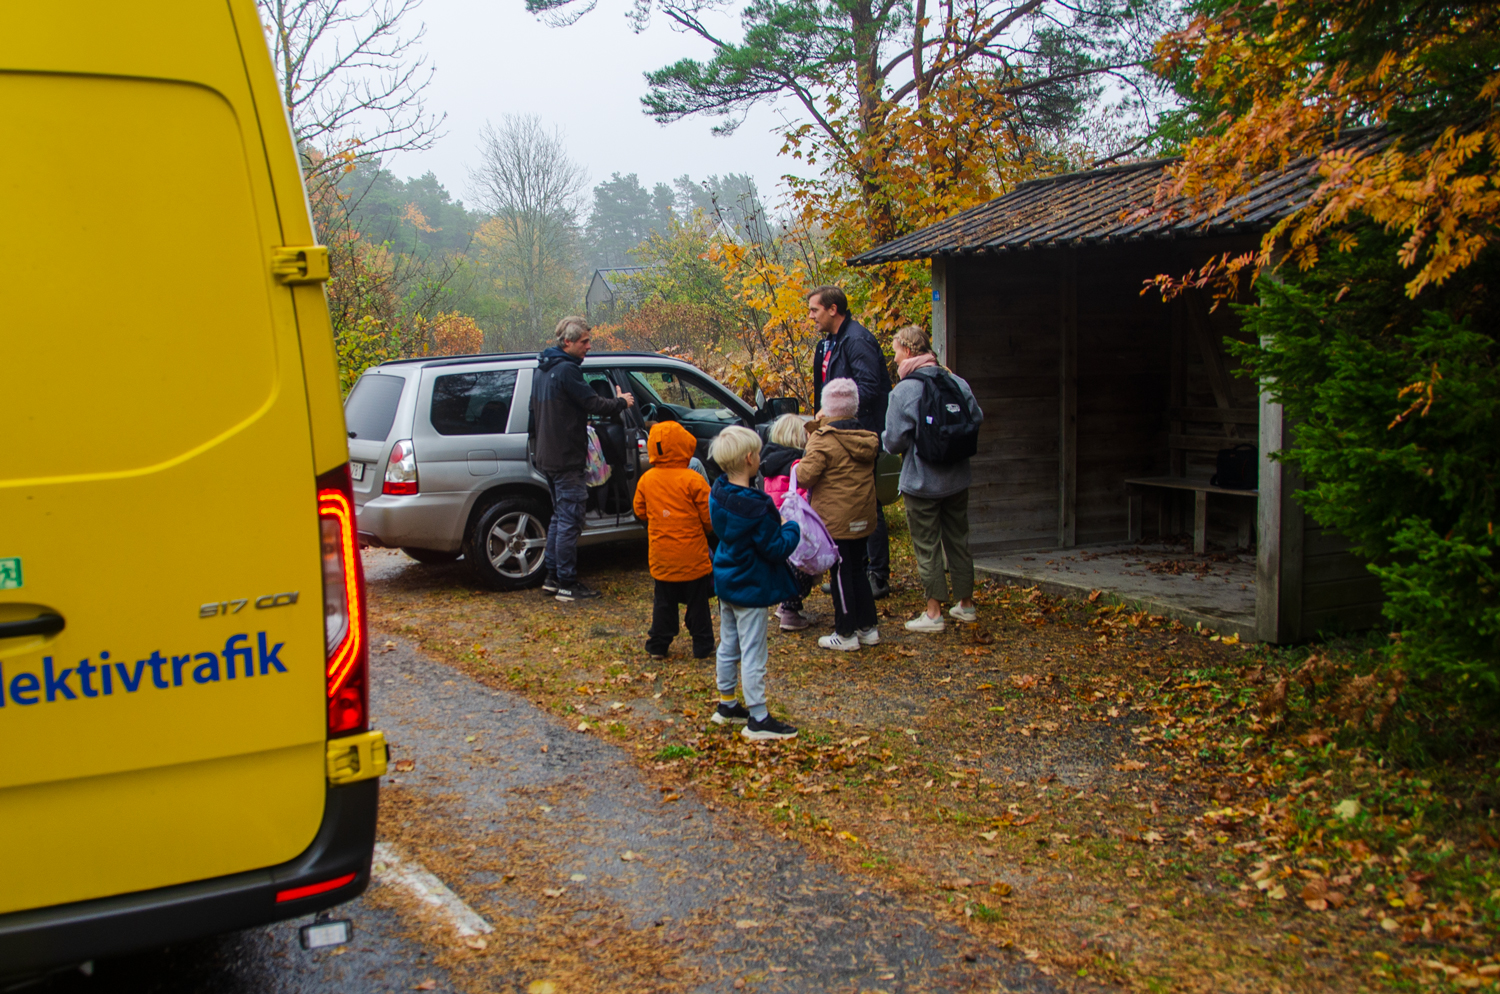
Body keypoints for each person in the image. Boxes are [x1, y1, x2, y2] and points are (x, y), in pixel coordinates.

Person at [882, 326, 985, 631]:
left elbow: (893, 442)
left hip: (922, 481)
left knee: (927, 546)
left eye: (897, 350)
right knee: (959, 541)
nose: (895, 356)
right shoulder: (956, 381)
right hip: (957, 478)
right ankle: (966, 605)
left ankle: (933, 612)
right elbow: (975, 418)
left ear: (909, 351)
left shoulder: (903, 390)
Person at [530, 316, 634, 602]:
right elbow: (592, 403)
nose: (589, 346)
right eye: (584, 342)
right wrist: (621, 402)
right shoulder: (567, 371)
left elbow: (535, 413)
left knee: (559, 517)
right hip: (565, 460)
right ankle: (567, 582)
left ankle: (553, 578)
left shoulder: (542, 370)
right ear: (567, 342)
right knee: (570, 520)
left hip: (548, 457)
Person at [708, 426, 802, 741]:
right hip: (750, 585)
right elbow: (775, 548)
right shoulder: (758, 507)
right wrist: (792, 529)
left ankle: (726, 704)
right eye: (759, 453)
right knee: (753, 652)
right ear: (750, 459)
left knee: (729, 644)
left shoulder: (718, 491)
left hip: (726, 579)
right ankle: (759, 717)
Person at [808, 285, 893, 598]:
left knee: (868, 502)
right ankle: (850, 570)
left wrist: (834, 411)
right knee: (843, 501)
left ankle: (877, 575)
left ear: (833, 309)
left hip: (859, 434)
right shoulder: (829, 342)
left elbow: (869, 387)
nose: (811, 317)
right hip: (836, 432)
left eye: (814, 310)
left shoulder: (857, 340)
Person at [796, 378, 881, 652]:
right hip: (862, 515)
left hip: (837, 520)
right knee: (859, 568)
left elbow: (805, 477)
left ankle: (845, 632)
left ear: (826, 408)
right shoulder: (865, 437)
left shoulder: (824, 440)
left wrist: (802, 455)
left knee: (841, 573)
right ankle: (868, 627)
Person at [633, 420, 715, 659]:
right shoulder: (694, 479)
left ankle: (658, 644)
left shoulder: (647, 479)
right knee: (698, 603)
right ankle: (702, 644)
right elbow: (709, 517)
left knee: (663, 603)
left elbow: (639, 510)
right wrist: (707, 531)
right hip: (693, 558)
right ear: (683, 445)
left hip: (662, 558)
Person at [761, 414, 816, 631]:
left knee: (787, 566)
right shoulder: (796, 465)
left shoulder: (769, 464)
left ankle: (785, 606)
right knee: (802, 569)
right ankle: (790, 611)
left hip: (777, 524)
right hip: (795, 524)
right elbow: (803, 496)